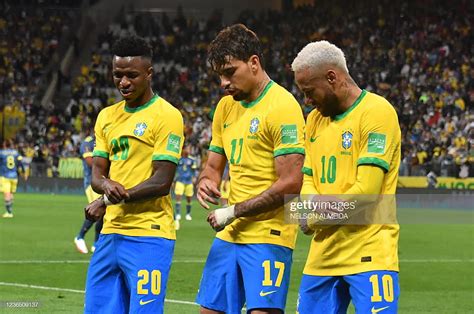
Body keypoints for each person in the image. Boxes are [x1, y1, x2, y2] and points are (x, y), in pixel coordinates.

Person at [196, 24, 305, 314]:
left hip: (269, 233)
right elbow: (212, 167)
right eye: (219, 75)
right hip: (230, 232)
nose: (223, 82)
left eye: (230, 72)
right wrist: (206, 181)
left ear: (254, 63)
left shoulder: (283, 107)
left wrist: (232, 211)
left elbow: (292, 184)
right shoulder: (225, 108)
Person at [292, 41, 401, 314]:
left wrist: (310, 216)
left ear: (332, 77)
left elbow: (365, 195)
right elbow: (308, 180)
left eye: (308, 91)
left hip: (370, 255)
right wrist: (308, 207)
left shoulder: (377, 112)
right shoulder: (314, 121)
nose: (306, 100)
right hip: (322, 257)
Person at [83, 35, 184, 314]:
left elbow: (162, 181)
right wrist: (105, 185)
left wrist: (109, 198)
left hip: (149, 235)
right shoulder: (106, 116)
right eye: (118, 75)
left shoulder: (167, 116)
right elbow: (98, 176)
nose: (123, 83)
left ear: (149, 74)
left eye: (132, 75)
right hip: (111, 234)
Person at [74, 131, 103, 254]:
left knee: (104, 213)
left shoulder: (106, 139)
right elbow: (90, 162)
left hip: (103, 182)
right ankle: (80, 237)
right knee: (99, 209)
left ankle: (96, 244)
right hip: (92, 182)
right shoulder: (88, 142)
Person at [173, 144, 197, 229]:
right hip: (180, 181)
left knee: (189, 198)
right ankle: (178, 214)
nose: (188, 151)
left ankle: (188, 214)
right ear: (183, 150)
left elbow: (194, 171)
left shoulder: (192, 160)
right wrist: (173, 180)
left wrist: (194, 178)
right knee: (178, 197)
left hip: (189, 181)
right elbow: (174, 170)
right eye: (187, 149)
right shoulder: (178, 159)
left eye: (189, 149)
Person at [0, 140, 25, 218]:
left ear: (4, 145)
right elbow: (20, 163)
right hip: (14, 176)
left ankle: (9, 212)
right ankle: (10, 211)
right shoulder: (16, 153)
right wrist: (23, 173)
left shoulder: (1, 153)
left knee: (7, 194)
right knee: (11, 194)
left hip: (5, 176)